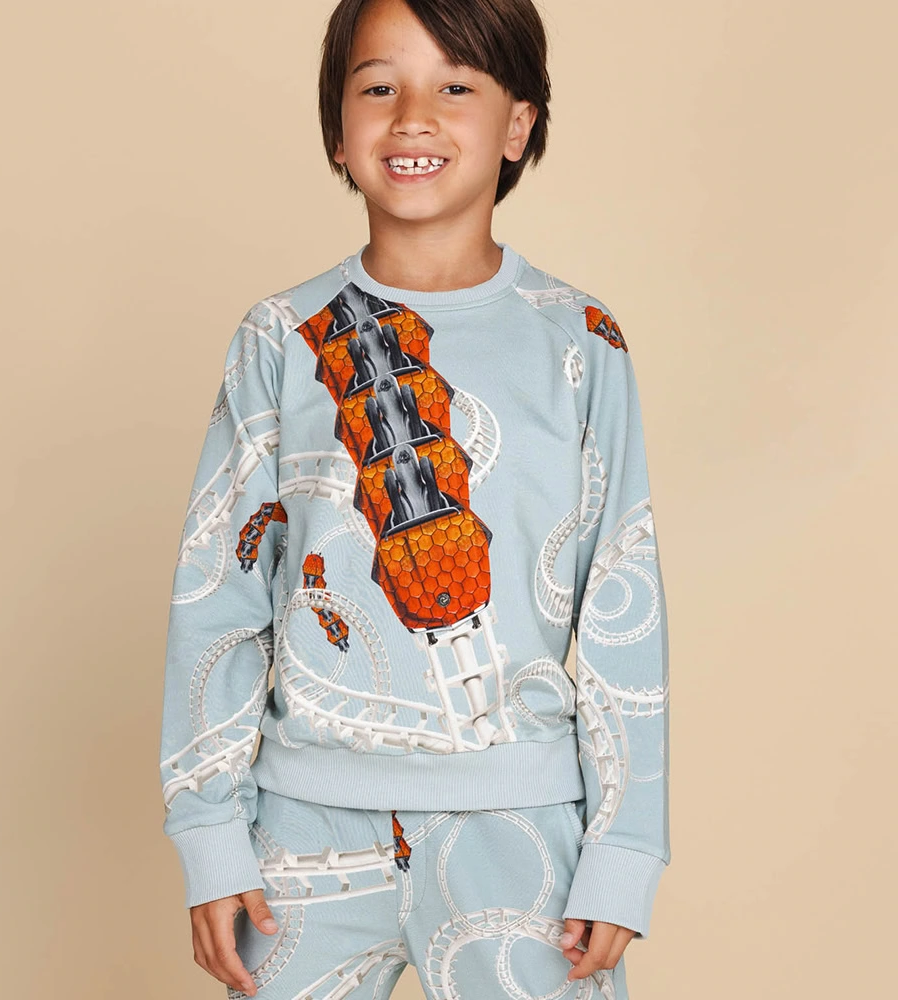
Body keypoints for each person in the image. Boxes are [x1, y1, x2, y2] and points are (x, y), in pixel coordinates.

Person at [157, 1, 670, 996]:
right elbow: (218, 592)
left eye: (456, 85)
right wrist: (209, 831)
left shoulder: (581, 341)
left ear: (517, 124)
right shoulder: (278, 338)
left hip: (522, 826)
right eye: (379, 86)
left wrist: (626, 847)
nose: (413, 116)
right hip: (299, 831)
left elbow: (625, 598)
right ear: (337, 129)